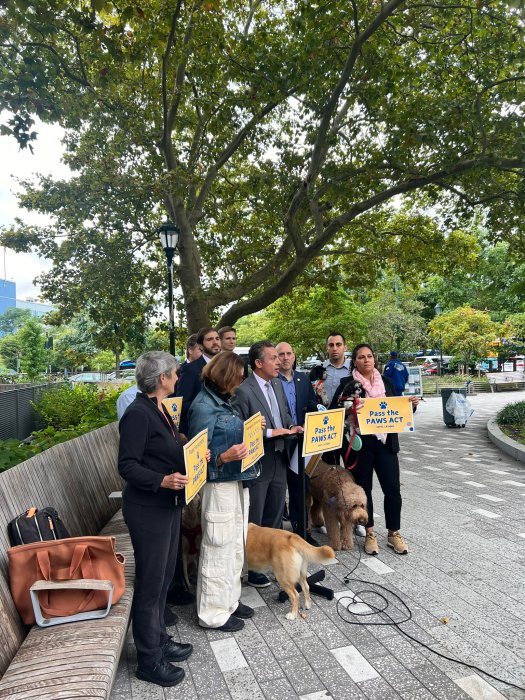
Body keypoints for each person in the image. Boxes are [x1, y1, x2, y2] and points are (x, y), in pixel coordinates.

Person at [118, 351, 196, 688]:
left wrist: (194, 454)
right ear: (161, 378)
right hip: (148, 509)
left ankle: (159, 638)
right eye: (174, 374)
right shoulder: (138, 413)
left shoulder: (156, 407)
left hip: (166, 505)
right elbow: (127, 465)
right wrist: (161, 480)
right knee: (150, 584)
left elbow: (163, 451)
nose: (178, 378)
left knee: (164, 577)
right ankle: (148, 660)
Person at [189, 352, 260, 632]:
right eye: (238, 377)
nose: (241, 382)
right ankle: (212, 613)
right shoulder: (204, 407)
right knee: (218, 547)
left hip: (235, 480)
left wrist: (251, 431)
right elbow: (196, 461)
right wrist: (223, 458)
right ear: (225, 376)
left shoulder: (223, 401)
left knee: (234, 546)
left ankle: (229, 601)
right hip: (218, 485)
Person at [329, 343, 419, 557]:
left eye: (369, 356)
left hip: (386, 444)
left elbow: (399, 409)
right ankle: (369, 533)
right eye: (361, 357)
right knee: (365, 490)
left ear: (374, 360)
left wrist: (412, 406)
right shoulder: (346, 384)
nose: (366, 360)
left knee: (392, 489)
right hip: (361, 445)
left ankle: (393, 533)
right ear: (355, 361)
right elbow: (334, 412)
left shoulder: (386, 382)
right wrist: (349, 408)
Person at [231, 341, 303, 587]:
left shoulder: (278, 385)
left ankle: (272, 559)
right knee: (257, 514)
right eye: (273, 358)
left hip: (280, 457)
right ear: (258, 363)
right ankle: (252, 568)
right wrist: (271, 433)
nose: (279, 361)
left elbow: (283, 414)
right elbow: (239, 428)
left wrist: (292, 427)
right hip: (258, 461)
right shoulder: (243, 391)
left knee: (274, 512)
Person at [276, 341, 319, 544]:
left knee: (300, 487)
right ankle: (276, 533)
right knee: (276, 488)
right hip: (278, 441)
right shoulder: (271, 380)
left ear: (294, 356)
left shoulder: (303, 379)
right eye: (281, 354)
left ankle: (301, 529)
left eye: (289, 353)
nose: (285, 358)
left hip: (301, 440)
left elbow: (311, 403)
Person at [176, 327, 221, 434]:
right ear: (200, 346)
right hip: (201, 430)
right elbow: (183, 403)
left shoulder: (226, 367)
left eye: (217, 338)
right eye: (209, 339)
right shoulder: (190, 369)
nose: (215, 342)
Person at [322, 332, 351, 404]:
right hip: (324, 413)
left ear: (345, 347)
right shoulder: (319, 369)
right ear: (327, 348)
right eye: (331, 345)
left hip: (347, 413)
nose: (334, 348)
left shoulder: (353, 369)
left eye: (338, 345)